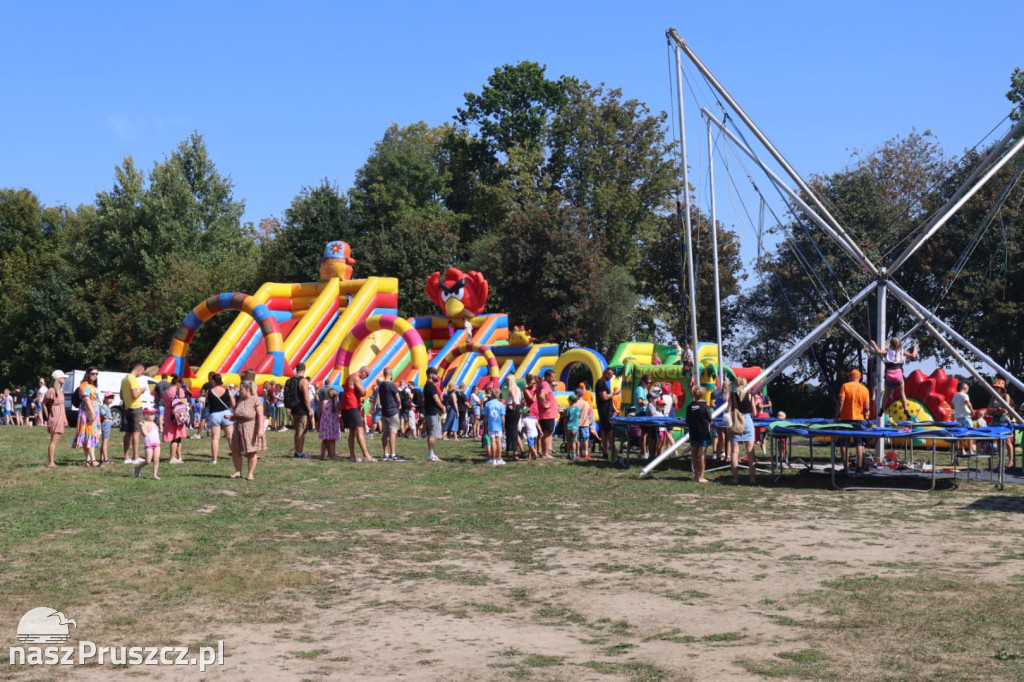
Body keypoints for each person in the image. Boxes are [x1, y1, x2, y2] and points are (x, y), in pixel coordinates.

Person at [869, 337, 919, 416]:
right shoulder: (902, 351)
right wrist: (915, 348)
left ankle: (882, 409)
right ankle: (905, 409)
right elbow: (913, 356)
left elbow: (878, 351)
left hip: (889, 374)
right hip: (898, 374)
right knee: (902, 394)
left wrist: (874, 344)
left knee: (886, 394)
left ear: (891, 345)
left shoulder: (888, 351)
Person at [835, 369, 870, 475]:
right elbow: (867, 407)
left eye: (849, 376)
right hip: (860, 419)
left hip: (846, 419)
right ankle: (859, 467)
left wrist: (837, 416)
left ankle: (846, 468)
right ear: (859, 378)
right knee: (859, 443)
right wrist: (864, 414)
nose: (848, 377)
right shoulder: (865, 389)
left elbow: (841, 402)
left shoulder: (845, 386)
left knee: (844, 443)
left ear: (852, 376)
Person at [229, 381, 266, 480]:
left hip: (251, 428)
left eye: (241, 389)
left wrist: (260, 430)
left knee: (251, 451)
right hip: (238, 428)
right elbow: (238, 413)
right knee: (235, 450)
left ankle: (250, 474)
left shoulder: (256, 400)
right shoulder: (240, 400)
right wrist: (232, 417)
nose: (239, 391)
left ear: (248, 389)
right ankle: (238, 472)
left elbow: (260, 416)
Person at [727, 377, 757, 485]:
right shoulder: (750, 396)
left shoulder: (732, 396)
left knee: (734, 452)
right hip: (748, 421)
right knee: (750, 452)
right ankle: (752, 478)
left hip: (736, 422)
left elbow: (728, 411)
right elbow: (754, 412)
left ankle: (735, 479)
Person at [73, 367, 102, 467]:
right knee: (90, 434)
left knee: (89, 435)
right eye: (92, 373)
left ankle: (88, 460)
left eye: (96, 374)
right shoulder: (84, 385)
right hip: (88, 413)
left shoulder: (92, 386)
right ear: (88, 374)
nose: (95, 375)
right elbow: (86, 399)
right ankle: (93, 460)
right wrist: (92, 412)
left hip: (92, 411)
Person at [343, 367, 373, 462]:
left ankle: (353, 456)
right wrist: (361, 393)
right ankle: (366, 455)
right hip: (351, 406)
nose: (366, 377)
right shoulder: (355, 377)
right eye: (366, 375)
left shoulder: (350, 377)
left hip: (347, 406)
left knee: (352, 432)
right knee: (359, 429)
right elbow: (363, 392)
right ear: (362, 371)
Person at [686, 378, 713, 483]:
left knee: (694, 455)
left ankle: (696, 476)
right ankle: (701, 477)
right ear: (702, 395)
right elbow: (710, 420)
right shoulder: (705, 407)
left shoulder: (690, 407)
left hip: (693, 432)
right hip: (703, 433)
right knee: (701, 455)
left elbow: (687, 420)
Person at [206, 372, 235, 465]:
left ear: (213, 381)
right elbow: (233, 404)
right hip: (226, 414)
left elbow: (206, 403)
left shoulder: (209, 391)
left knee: (215, 438)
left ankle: (214, 459)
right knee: (230, 437)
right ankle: (235, 455)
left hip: (214, 414)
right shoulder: (227, 391)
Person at [120, 363, 146, 464]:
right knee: (136, 432)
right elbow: (135, 395)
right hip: (136, 407)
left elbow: (122, 396)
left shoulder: (124, 379)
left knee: (128, 432)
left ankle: (126, 457)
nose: (141, 374)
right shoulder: (133, 379)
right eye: (142, 372)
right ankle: (136, 457)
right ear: (139, 369)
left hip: (127, 407)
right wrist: (142, 390)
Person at [376, 367, 404, 461]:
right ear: (391, 374)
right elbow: (398, 398)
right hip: (392, 411)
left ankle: (385, 453)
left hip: (384, 411)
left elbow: (379, 396)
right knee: (393, 433)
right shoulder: (391, 385)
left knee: (385, 433)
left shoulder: (381, 385)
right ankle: (393, 454)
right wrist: (399, 406)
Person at [288, 362, 315, 458]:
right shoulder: (303, 381)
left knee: (297, 430)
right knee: (301, 431)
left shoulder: (291, 380)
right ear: (304, 369)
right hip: (302, 409)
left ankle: (297, 450)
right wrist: (309, 410)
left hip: (294, 408)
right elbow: (306, 398)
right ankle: (299, 452)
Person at [988, 379, 1017, 468]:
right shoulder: (993, 397)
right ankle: (1001, 461)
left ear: (1001, 388)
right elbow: (989, 409)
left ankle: (1011, 461)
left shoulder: (1005, 396)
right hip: (996, 420)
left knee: (1007, 441)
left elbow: (1006, 409)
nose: (995, 389)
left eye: (997, 387)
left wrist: (996, 410)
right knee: (999, 441)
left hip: (1004, 420)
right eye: (995, 387)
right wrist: (998, 410)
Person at [43, 370, 68, 468]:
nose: (64, 379)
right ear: (58, 379)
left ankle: (51, 461)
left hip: (61, 416)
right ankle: (50, 462)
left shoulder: (61, 390)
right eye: (62, 377)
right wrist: (47, 415)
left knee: (56, 439)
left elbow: (62, 405)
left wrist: (65, 418)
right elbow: (44, 404)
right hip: (55, 416)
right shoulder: (52, 391)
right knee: (54, 439)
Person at [163, 375, 189, 464]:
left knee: (177, 437)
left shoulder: (165, 392)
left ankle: (179, 457)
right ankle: (173, 458)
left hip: (169, 416)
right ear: (178, 383)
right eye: (181, 384)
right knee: (176, 438)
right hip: (178, 416)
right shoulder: (180, 391)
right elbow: (184, 403)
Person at [422, 366, 444, 462]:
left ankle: (431, 454)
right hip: (433, 412)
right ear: (431, 375)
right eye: (436, 374)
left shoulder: (426, 385)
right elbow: (436, 399)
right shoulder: (431, 386)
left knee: (431, 433)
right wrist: (442, 407)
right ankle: (431, 455)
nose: (437, 376)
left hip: (429, 412)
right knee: (433, 434)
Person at [596, 367, 618, 459]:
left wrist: (614, 409)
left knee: (605, 431)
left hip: (607, 410)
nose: (611, 377)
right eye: (610, 375)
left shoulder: (603, 383)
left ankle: (606, 452)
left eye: (612, 375)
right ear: (606, 373)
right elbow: (604, 397)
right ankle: (609, 450)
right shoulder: (601, 383)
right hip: (604, 411)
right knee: (609, 431)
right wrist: (614, 393)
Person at [134, 408, 162, 479]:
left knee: (156, 459)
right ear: (146, 415)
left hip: (156, 444)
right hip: (149, 445)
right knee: (148, 461)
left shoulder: (154, 423)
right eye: (151, 414)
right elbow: (145, 434)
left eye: (154, 414)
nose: (153, 416)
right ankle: (138, 467)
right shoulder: (145, 424)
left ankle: (155, 475)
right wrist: (142, 427)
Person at [951, 381, 976, 458]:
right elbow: (968, 403)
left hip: (958, 417)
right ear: (965, 388)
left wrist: (958, 409)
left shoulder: (955, 396)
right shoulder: (965, 395)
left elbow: (952, 406)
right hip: (966, 417)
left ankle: (962, 450)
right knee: (970, 433)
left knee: (961, 434)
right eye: (967, 389)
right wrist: (972, 411)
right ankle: (971, 450)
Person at [538, 370, 558, 459]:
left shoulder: (543, 384)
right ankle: (545, 453)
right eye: (552, 377)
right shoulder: (545, 385)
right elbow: (542, 395)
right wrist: (545, 404)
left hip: (546, 413)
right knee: (547, 433)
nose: (554, 379)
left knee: (546, 433)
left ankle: (544, 452)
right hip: (548, 414)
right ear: (547, 377)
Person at [483, 388, 506, 466]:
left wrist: (485, 426)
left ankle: (493, 459)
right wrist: (503, 426)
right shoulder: (501, 404)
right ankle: (499, 458)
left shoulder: (487, 404)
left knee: (493, 441)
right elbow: (503, 416)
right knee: (499, 441)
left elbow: (485, 417)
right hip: (499, 425)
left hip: (491, 425)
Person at [711, 379, 731, 461]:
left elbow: (715, 404)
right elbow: (728, 408)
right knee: (727, 438)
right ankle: (727, 456)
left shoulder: (719, 394)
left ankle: (718, 454)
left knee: (720, 437)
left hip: (717, 417)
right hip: (723, 418)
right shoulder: (727, 396)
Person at [319, 387, 341, 460]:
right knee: (332, 440)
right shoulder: (337, 403)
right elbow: (339, 411)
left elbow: (322, 412)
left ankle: (322, 455)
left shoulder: (323, 402)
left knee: (325, 440)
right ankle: (332, 455)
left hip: (325, 423)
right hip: (333, 423)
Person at [504, 374, 523, 459]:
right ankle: (515, 450)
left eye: (507, 380)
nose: (505, 382)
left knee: (511, 430)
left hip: (512, 409)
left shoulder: (512, 388)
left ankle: (513, 450)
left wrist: (513, 407)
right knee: (514, 430)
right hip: (517, 409)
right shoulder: (518, 388)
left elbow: (514, 400)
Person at [576, 388, 594, 460]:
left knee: (577, 440)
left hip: (576, 423)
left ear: (577, 394)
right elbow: (590, 414)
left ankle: (578, 453)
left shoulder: (575, 403)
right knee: (586, 439)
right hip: (585, 424)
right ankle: (586, 453)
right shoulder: (586, 403)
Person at [99, 393, 115, 464]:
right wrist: (104, 416)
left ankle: (102, 458)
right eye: (109, 398)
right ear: (105, 398)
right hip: (106, 424)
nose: (111, 399)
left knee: (104, 441)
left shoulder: (107, 406)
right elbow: (102, 413)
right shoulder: (104, 406)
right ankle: (106, 459)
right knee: (105, 441)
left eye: (112, 398)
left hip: (107, 423)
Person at [564, 394, 581, 460]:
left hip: (568, 427)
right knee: (574, 442)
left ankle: (569, 454)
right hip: (575, 427)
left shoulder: (567, 409)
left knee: (568, 442)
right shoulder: (578, 409)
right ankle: (573, 455)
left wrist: (564, 426)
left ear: (570, 401)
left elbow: (565, 419)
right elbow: (579, 417)